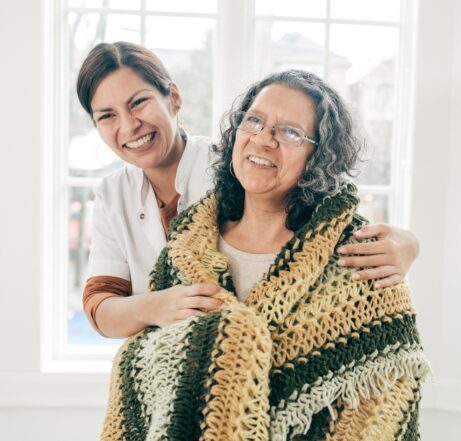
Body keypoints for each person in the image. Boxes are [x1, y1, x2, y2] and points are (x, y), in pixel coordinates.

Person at [100, 69, 429, 440]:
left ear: (320, 155)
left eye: (289, 132)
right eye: (254, 121)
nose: (263, 139)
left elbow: (382, 411)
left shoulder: (361, 262)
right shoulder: (185, 249)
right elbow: (140, 364)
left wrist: (411, 243)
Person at [76, 42, 420, 338]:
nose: (129, 125)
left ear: (174, 98)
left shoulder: (240, 164)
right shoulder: (112, 195)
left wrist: (408, 244)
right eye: (107, 116)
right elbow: (99, 306)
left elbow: (324, 195)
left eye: (138, 103)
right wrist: (154, 306)